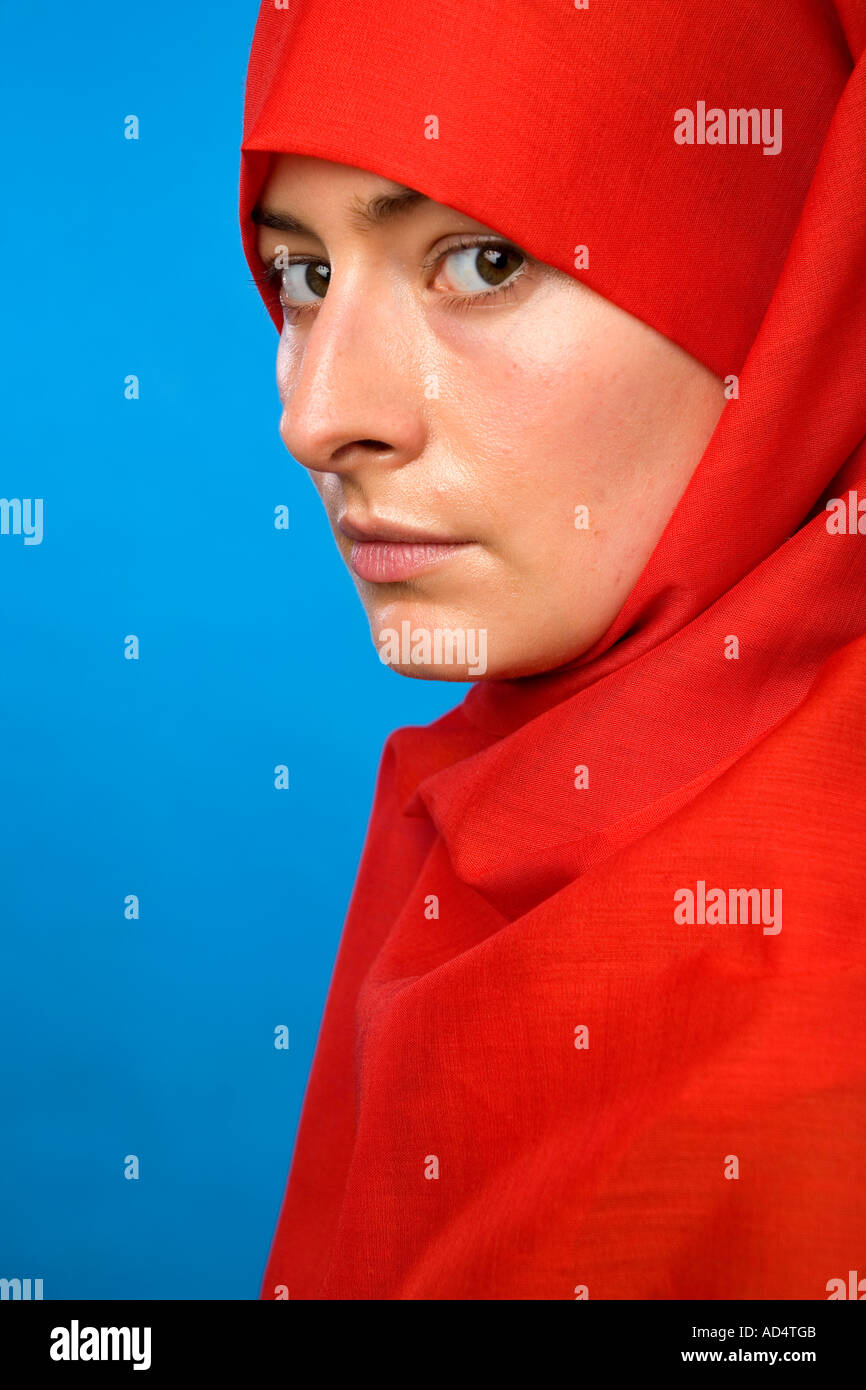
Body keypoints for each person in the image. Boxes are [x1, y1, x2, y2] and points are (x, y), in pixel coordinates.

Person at [239, 0, 866, 1299]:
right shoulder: (476, 828)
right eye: (302, 275)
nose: (317, 416)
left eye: (477, 261)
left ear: (782, 280)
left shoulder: (818, 1041)